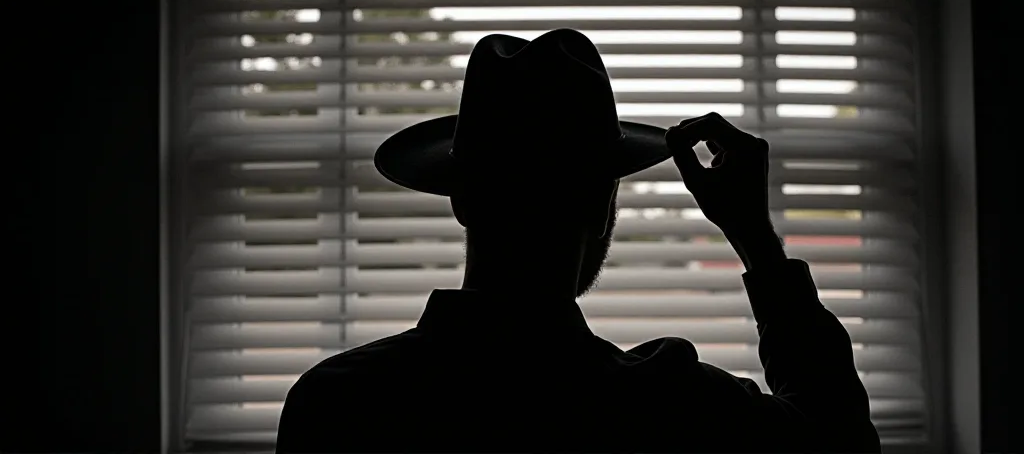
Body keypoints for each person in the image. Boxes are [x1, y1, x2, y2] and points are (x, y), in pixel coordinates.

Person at [276, 28, 881, 453]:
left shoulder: (334, 403)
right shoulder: (671, 406)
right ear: (602, 208)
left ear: (461, 200)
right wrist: (754, 237)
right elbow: (838, 440)